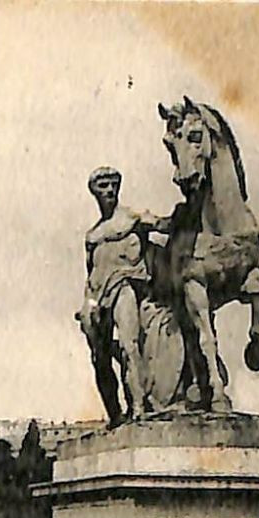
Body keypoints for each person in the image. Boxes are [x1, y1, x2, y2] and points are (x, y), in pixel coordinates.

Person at [80, 167, 167, 427]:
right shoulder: (93, 235)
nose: (108, 190)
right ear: (94, 192)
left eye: (112, 185)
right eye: (102, 186)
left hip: (125, 287)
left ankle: (139, 406)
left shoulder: (133, 219)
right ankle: (115, 414)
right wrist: (89, 304)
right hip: (98, 297)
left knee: (130, 345)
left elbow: (166, 226)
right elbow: (91, 273)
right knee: (100, 358)